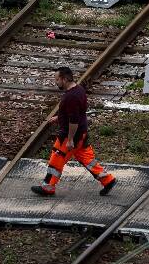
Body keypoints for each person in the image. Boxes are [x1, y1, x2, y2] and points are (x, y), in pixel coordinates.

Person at [31, 67, 117, 197]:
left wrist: (70, 139)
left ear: (64, 79)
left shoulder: (71, 96)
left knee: (56, 158)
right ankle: (108, 180)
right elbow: (74, 112)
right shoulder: (79, 90)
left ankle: (48, 187)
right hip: (81, 133)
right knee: (87, 159)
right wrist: (59, 117)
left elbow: (74, 120)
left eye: (57, 79)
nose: (56, 82)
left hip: (70, 135)